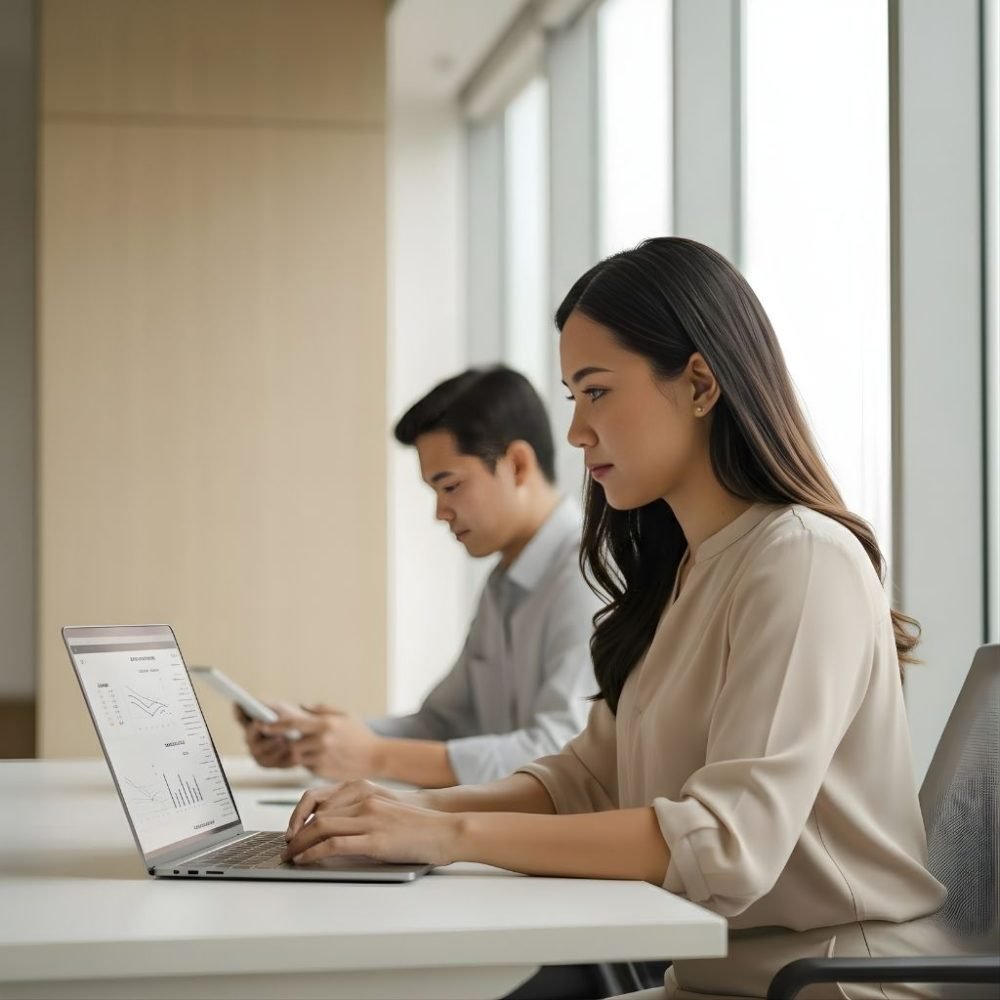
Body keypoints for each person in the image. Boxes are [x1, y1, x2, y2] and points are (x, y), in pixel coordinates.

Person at [278, 238, 951, 999]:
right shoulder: (684, 570)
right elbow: (588, 778)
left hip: (829, 983)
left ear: (700, 383)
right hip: (719, 978)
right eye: (572, 396)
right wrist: (400, 813)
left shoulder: (800, 558)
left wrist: (442, 833)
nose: (575, 431)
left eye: (596, 391)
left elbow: (728, 844)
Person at [238, 366, 602, 788]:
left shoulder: (585, 575)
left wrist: (374, 755)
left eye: (449, 487)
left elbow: (562, 753)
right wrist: (322, 741)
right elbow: (444, 724)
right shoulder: (505, 583)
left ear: (517, 465)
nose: (440, 513)